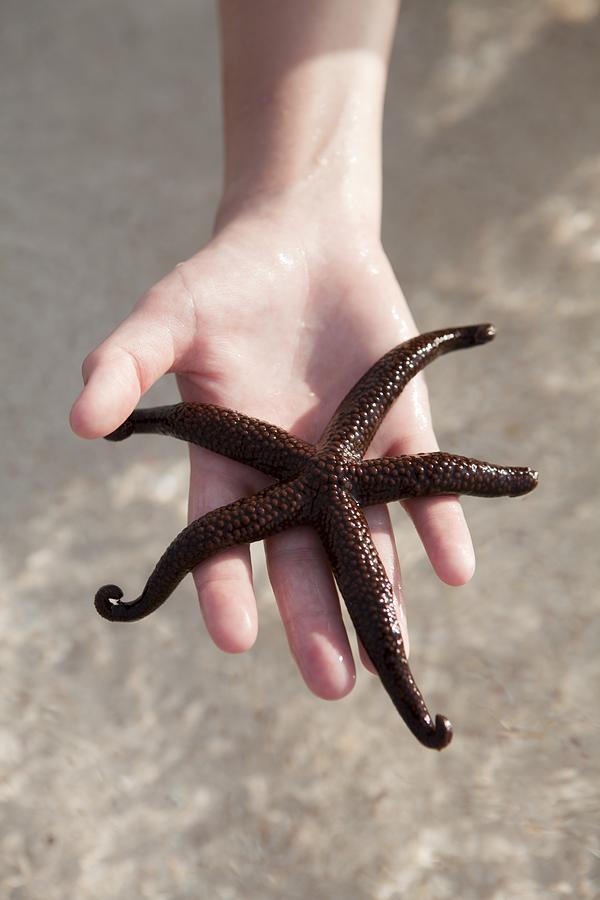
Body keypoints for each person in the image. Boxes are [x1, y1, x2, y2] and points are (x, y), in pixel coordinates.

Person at [70, 1, 475, 702]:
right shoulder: (335, 475)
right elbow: (387, 386)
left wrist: (148, 420)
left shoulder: (318, 475)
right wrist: (290, 201)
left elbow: (390, 376)